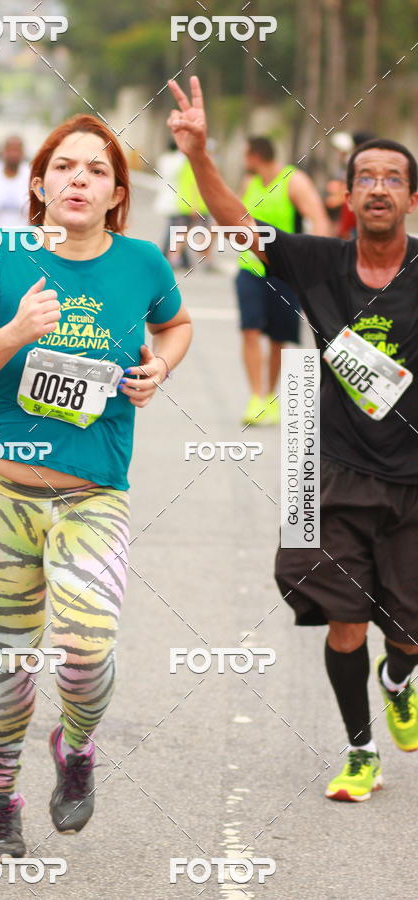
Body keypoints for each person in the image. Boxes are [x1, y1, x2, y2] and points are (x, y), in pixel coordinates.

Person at [0, 113, 192, 858]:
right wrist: (15, 333)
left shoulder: (143, 263)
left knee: (84, 651)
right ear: (40, 184)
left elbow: (177, 325)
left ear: (117, 193)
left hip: (93, 493)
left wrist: (159, 367)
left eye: (97, 169)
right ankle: (0, 801)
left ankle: (76, 746)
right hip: (1, 492)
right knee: (11, 659)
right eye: (64, 166)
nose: (79, 178)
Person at [167, 75, 418, 802]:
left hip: (413, 477)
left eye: (393, 178)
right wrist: (199, 155)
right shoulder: (318, 262)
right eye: (365, 177)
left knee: (408, 632)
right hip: (335, 471)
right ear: (346, 195)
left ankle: (399, 678)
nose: (378, 187)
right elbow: (237, 223)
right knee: (345, 618)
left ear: (411, 198)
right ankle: (361, 751)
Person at [236, 136, 330, 425]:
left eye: (245, 155)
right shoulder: (249, 183)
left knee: (278, 338)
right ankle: (256, 397)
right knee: (250, 330)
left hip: (284, 272)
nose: (243, 161)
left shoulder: (294, 181)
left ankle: (269, 395)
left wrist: (313, 261)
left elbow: (319, 220)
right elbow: (236, 217)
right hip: (249, 268)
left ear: (255, 156)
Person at [154, 138, 190, 269]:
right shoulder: (180, 159)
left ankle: (183, 259)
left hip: (166, 197)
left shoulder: (164, 159)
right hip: (177, 199)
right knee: (177, 229)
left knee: (175, 228)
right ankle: (169, 256)